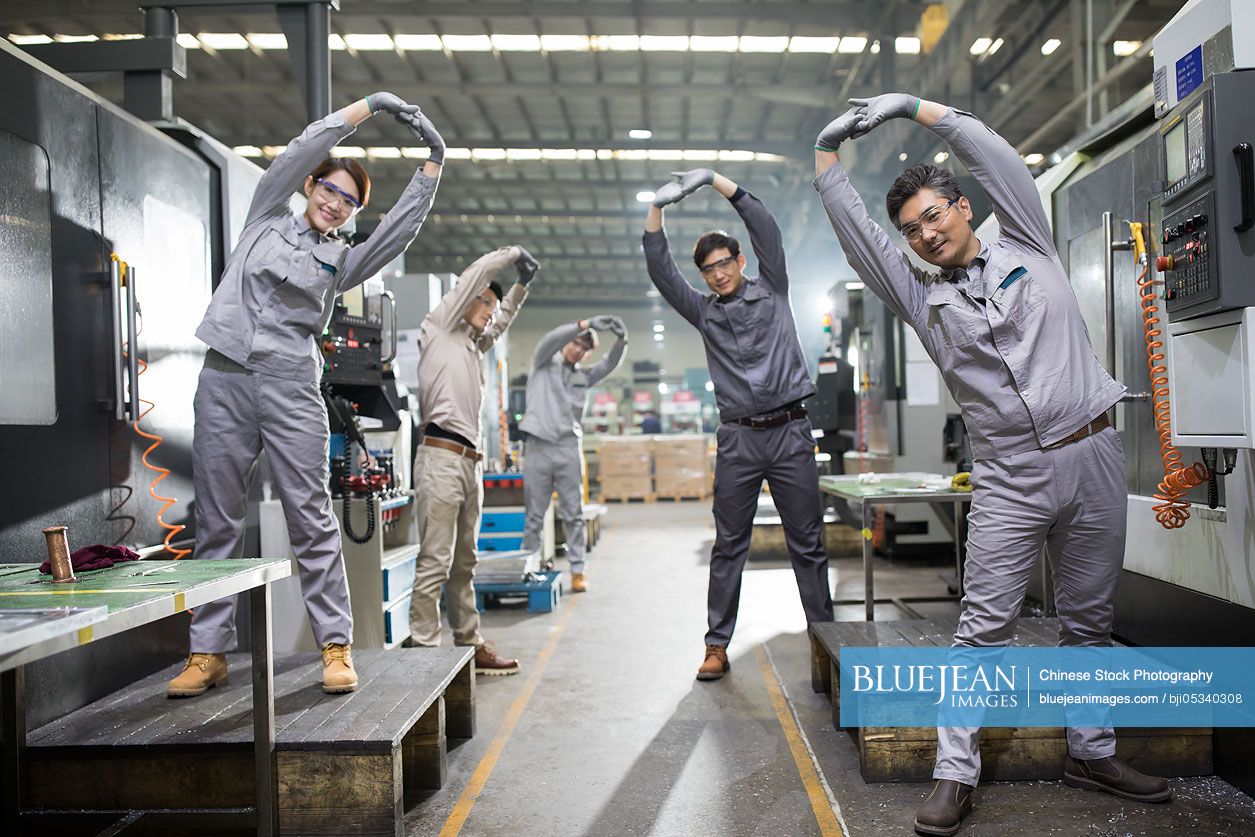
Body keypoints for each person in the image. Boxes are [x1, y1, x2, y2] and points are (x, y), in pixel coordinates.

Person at [812, 95, 1171, 836]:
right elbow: (860, 242)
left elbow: (994, 155)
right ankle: (954, 773)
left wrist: (915, 108)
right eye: (911, 229)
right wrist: (826, 162)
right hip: (1010, 476)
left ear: (963, 207)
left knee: (1089, 621)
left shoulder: (1029, 244)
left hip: (1093, 455)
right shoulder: (920, 298)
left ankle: (1091, 752)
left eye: (932, 216)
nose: (924, 234)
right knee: (983, 629)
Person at [168, 93, 444, 698]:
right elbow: (302, 148)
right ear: (310, 186)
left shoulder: (341, 261)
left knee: (311, 518)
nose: (335, 203)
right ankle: (208, 651)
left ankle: (335, 646)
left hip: (290, 388)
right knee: (216, 519)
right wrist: (368, 107)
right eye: (330, 189)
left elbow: (395, 235)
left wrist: (433, 164)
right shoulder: (265, 215)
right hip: (224, 380)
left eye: (349, 201)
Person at [643, 168, 835, 682]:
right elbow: (662, 272)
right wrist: (656, 211)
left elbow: (765, 226)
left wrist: (715, 180)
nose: (718, 274)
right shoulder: (703, 313)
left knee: (808, 544)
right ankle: (716, 645)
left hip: (790, 433)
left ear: (740, 260)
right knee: (729, 545)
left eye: (724, 263)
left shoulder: (773, 288)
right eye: (708, 269)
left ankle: (824, 644)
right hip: (739, 440)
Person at [406, 245, 539, 675]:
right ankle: (425, 657)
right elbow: (474, 275)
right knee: (435, 562)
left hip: (470, 463)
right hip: (441, 458)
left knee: (465, 563)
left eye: (492, 306)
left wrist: (520, 287)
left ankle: (468, 643)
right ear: (465, 300)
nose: (489, 311)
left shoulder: (472, 346)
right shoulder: (440, 327)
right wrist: (512, 254)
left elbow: (500, 322)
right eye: (483, 302)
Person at [519, 316, 629, 592]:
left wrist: (622, 341)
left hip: (568, 448)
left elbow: (608, 364)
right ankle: (527, 569)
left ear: (587, 354)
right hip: (538, 447)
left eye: (584, 348)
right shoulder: (543, 362)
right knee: (534, 516)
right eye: (575, 343)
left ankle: (578, 571)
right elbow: (550, 339)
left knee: (574, 514)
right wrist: (583, 324)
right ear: (566, 341)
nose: (577, 350)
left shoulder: (583, 377)